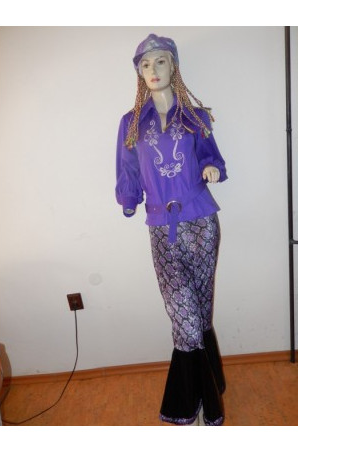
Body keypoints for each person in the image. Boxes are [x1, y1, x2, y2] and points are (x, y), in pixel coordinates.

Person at [115, 34, 228, 426]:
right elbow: (128, 168)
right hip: (162, 228)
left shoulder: (196, 117)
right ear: (139, 72)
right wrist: (129, 197)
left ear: (173, 65)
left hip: (202, 222)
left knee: (201, 310)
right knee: (185, 318)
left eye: (160, 61)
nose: (152, 70)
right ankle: (198, 403)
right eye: (145, 64)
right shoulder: (130, 123)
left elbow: (213, 157)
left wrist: (211, 168)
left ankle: (207, 390)